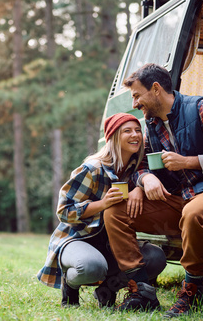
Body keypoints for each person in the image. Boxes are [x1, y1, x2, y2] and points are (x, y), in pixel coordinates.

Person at [103, 63, 203, 317]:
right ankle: (141, 291)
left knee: (194, 213)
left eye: (137, 95)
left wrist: (188, 161)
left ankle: (192, 291)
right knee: (115, 212)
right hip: (179, 199)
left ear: (155, 89)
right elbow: (140, 167)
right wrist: (145, 182)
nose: (135, 103)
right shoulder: (150, 125)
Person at [37, 113, 167, 308]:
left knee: (156, 258)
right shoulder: (92, 169)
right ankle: (70, 285)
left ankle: (107, 288)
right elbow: (64, 211)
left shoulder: (135, 169)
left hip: (112, 243)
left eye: (138, 130)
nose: (136, 135)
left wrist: (139, 189)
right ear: (113, 137)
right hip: (78, 238)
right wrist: (102, 204)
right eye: (127, 131)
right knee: (91, 267)